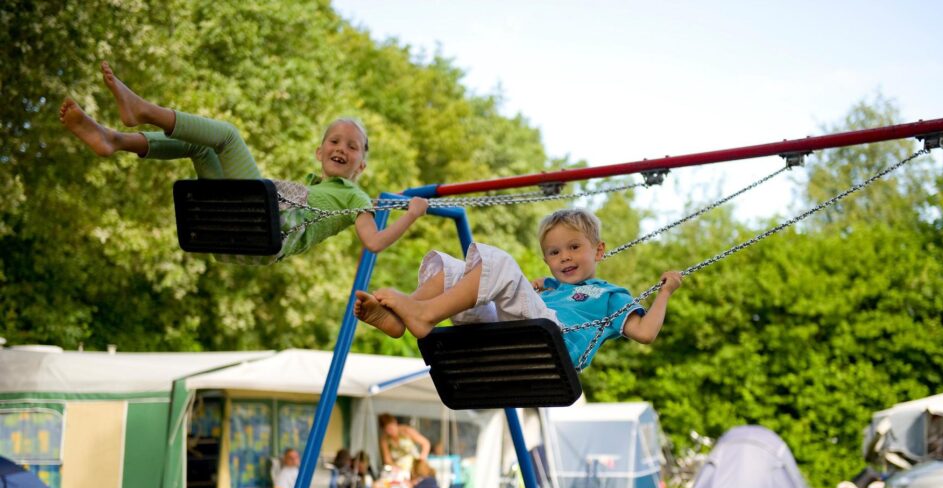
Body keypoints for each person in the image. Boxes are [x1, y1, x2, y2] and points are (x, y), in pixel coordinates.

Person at [59, 61, 428, 264]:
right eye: (334, 141)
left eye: (352, 147)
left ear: (360, 167)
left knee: (227, 136)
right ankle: (115, 140)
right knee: (201, 148)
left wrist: (410, 213)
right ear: (319, 153)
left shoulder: (354, 197)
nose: (341, 149)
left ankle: (144, 111)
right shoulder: (315, 186)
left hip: (266, 230)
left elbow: (374, 243)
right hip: (241, 231)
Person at [353, 207, 683, 370]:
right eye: (554, 252)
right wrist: (537, 290)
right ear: (546, 259)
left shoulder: (611, 295)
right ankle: (401, 315)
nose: (564, 257)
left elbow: (645, 332)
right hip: (514, 332)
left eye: (574, 247)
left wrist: (664, 293)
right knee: (451, 266)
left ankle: (423, 315)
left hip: (552, 342)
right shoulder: (550, 289)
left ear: (598, 251)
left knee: (498, 262)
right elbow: (520, 302)